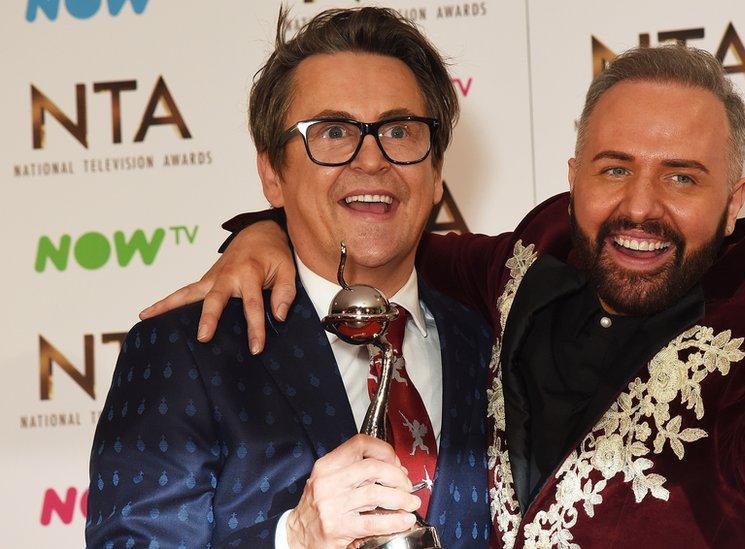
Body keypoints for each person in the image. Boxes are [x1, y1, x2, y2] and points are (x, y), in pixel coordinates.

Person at [145, 46, 745, 547]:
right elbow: (386, 234)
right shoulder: (529, 258)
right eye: (614, 168)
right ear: (574, 173)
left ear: (733, 200)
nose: (640, 206)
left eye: (683, 176)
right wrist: (270, 232)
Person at [87, 8, 493, 549]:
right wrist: (294, 539)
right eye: (333, 132)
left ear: (437, 173)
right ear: (272, 174)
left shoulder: (494, 346)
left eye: (399, 130)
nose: (372, 160)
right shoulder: (187, 351)